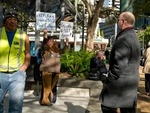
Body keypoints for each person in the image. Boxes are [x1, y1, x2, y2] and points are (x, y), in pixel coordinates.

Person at [99, 12, 141, 113]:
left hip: (119, 85)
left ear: (123, 22)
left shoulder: (124, 38)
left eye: (118, 20)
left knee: (106, 107)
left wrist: (108, 79)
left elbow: (119, 65)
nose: (118, 22)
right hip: (130, 84)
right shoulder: (134, 36)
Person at [0, 11, 30, 113]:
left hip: (17, 74)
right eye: (9, 19)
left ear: (17, 23)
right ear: (4, 22)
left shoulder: (23, 35)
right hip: (0, 74)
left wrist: (23, 68)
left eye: (14, 19)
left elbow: (27, 53)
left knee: (16, 105)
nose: (12, 21)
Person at [39, 29, 69, 106]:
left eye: (52, 41)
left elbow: (63, 51)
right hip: (47, 71)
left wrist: (66, 43)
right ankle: (44, 100)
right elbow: (44, 42)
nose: (51, 42)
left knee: (53, 86)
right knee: (46, 86)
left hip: (55, 71)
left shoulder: (57, 50)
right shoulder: (45, 49)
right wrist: (45, 34)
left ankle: (52, 99)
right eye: (50, 40)